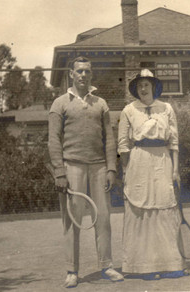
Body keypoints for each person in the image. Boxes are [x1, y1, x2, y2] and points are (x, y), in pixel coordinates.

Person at [48, 56, 124, 288]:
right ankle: (72, 270)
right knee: (72, 220)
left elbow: (109, 139)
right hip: (72, 168)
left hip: (99, 167)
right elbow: (53, 140)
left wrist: (111, 168)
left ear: (91, 74)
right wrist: (59, 172)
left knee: (103, 218)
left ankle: (107, 266)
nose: (83, 75)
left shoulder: (101, 103)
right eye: (79, 71)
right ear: (71, 74)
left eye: (87, 72)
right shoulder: (59, 103)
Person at [118, 69, 187, 279]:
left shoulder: (166, 109)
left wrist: (175, 170)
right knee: (140, 208)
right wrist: (125, 171)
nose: (143, 88)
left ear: (154, 86)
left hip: (162, 161)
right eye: (139, 85)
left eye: (146, 84)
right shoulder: (128, 110)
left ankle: (170, 264)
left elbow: (174, 141)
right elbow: (122, 145)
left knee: (164, 206)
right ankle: (143, 267)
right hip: (138, 162)